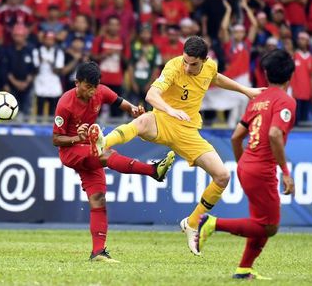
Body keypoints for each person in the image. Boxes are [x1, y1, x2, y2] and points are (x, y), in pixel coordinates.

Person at [89, 36, 262, 256]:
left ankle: (192, 222)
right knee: (141, 122)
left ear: (204, 60)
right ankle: (103, 142)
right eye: (186, 62)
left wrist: (246, 90)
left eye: (194, 64)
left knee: (222, 176)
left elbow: (215, 77)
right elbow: (151, 95)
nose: (188, 67)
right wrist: (170, 110)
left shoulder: (209, 67)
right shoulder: (173, 66)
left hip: (188, 131)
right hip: (162, 120)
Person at [53, 62, 175, 263]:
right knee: (105, 153)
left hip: (90, 148)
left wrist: (135, 111)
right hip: (72, 151)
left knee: (98, 199)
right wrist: (77, 137)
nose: (92, 91)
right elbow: (56, 139)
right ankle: (153, 171)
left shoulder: (101, 91)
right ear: (77, 83)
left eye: (95, 86)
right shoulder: (65, 103)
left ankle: (98, 252)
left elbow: (122, 103)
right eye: (87, 87)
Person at [196, 49, 296, 280]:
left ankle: (244, 269)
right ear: (290, 76)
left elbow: (235, 136)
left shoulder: (258, 99)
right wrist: (286, 172)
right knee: (270, 226)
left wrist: (244, 164)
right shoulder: (286, 101)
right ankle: (211, 223)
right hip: (262, 168)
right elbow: (274, 135)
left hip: (246, 164)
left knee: (260, 221)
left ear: (266, 74)